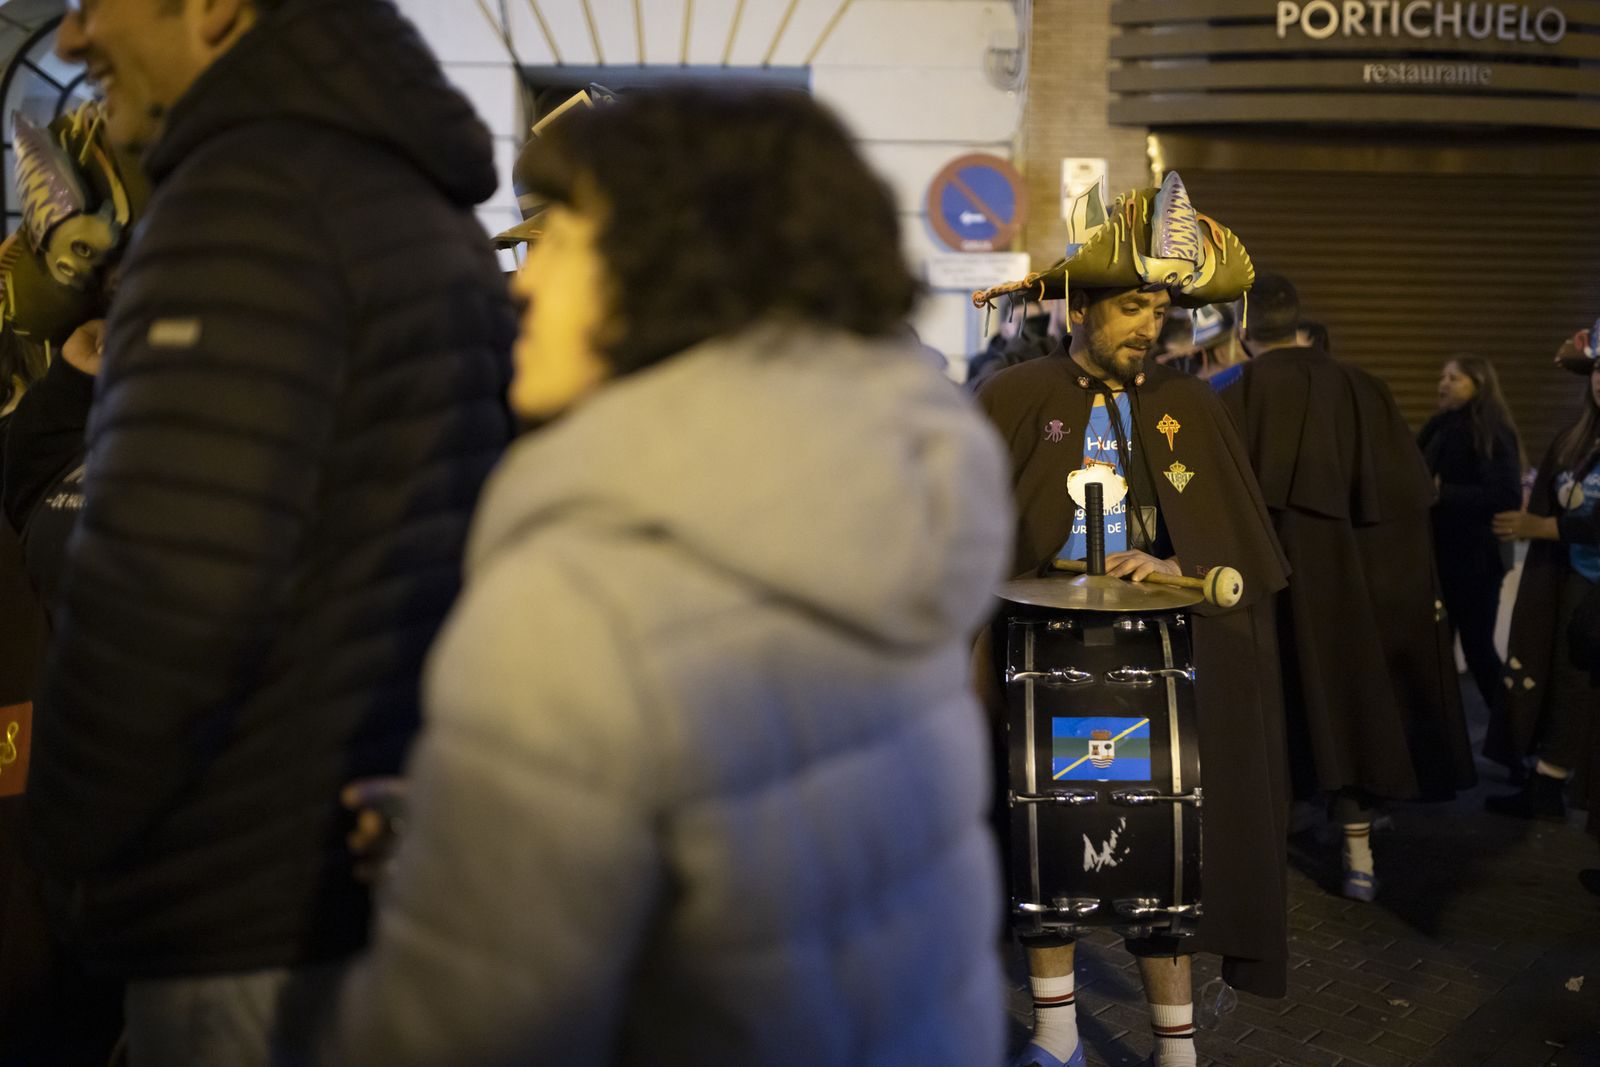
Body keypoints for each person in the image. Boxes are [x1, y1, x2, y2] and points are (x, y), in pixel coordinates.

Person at [333, 87, 1012, 1067]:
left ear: (664, 270)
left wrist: (448, 865)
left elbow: (458, 1031)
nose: (520, 282)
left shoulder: (579, 608)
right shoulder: (879, 522)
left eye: (558, 241)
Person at [25, 0, 514, 1063]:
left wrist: (58, 855)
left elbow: (167, 604)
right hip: (341, 888)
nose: (72, 37)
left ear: (214, 10)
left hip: (242, 917)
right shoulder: (387, 193)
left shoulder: (248, 204)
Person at [973, 172, 1291, 1067]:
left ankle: (1176, 1048)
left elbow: (1241, 548)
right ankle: (1059, 1034)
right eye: (1131, 309)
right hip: (1038, 655)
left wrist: (1177, 565)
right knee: (1044, 842)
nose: (1150, 326)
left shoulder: (1191, 404)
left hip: (1163, 661)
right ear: (1083, 310)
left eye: (1159, 309)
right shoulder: (1012, 396)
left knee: (1170, 852)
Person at [1221, 273, 1474, 903]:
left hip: (1269, 595)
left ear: (1244, 332)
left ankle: (1256, 860)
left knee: (1273, 715)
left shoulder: (1231, 392)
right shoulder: (1366, 388)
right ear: (1299, 321)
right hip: (1359, 598)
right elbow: (1410, 498)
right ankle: (1360, 853)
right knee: (1351, 710)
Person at [1486, 331, 1600, 823]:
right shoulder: (1580, 437)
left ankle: (1550, 785)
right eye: (1599, 371)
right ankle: (1545, 780)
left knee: (1577, 686)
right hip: (1569, 576)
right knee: (1555, 678)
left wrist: (1545, 525)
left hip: (1591, 585)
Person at [1418, 355, 1523, 711]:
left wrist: (1442, 493)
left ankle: (1511, 742)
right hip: (1439, 558)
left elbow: (1506, 493)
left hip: (1476, 561)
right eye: (1443, 376)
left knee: (1479, 651)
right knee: (1434, 655)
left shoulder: (1491, 430)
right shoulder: (1438, 425)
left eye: (1455, 378)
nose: (1443, 384)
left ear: (1479, 385)